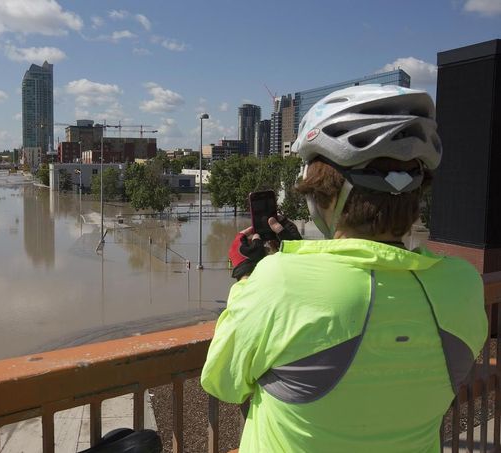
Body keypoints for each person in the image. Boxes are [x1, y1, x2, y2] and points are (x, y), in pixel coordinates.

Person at [200, 85, 487, 452]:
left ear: (327, 196)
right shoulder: (462, 284)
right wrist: (299, 253)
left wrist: (245, 278)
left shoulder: (280, 282)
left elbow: (223, 382)